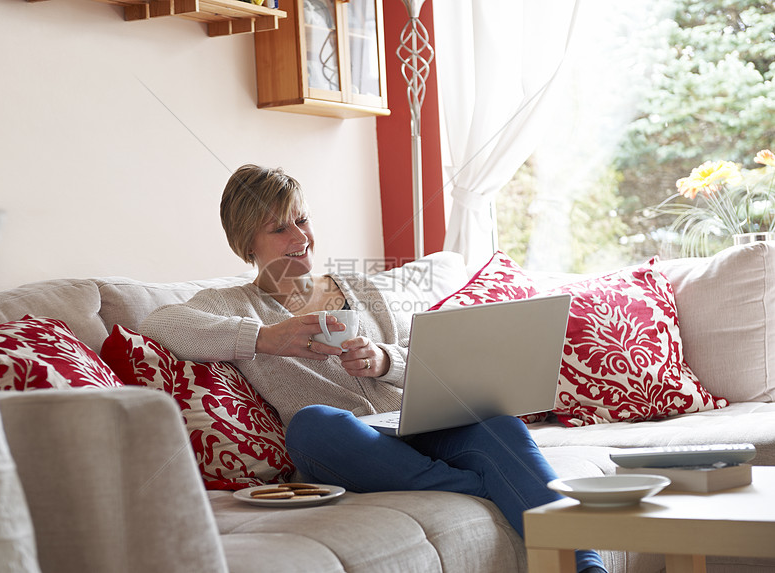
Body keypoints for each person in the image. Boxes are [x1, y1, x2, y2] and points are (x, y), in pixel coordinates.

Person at [140, 164, 608, 573]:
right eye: (279, 228)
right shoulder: (233, 304)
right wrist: (268, 337)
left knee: (499, 424)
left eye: (301, 220)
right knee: (310, 425)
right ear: (247, 241)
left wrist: (384, 360)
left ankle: (585, 568)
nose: (301, 238)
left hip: (414, 424)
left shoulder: (359, 288)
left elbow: (422, 354)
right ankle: (483, 482)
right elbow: (160, 324)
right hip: (348, 443)